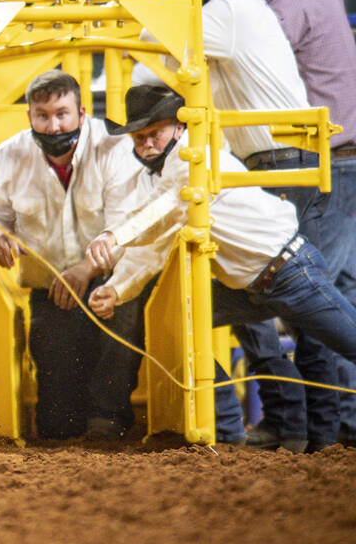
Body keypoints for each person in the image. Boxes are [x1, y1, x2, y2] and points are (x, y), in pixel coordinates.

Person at [146, 0, 328, 452]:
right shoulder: (229, 14)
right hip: (263, 166)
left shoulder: (230, 15)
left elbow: (157, 49)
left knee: (299, 300)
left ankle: (321, 427)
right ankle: (299, 425)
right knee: (277, 297)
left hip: (277, 165)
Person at [87, 87, 356, 396]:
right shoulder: (171, 173)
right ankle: (229, 429)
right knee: (176, 317)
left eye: (154, 134)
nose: (147, 144)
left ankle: (269, 430)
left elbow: (165, 212)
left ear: (179, 127)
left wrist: (114, 236)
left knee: (348, 342)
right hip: (260, 284)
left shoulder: (193, 158)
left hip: (289, 272)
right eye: (139, 138)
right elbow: (156, 241)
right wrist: (117, 288)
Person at [226, 0, 356, 445]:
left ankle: (320, 428)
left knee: (310, 289)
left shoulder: (291, 0)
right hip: (341, 155)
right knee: (337, 286)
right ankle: (338, 424)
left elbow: (253, 51)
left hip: (324, 158)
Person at [0, 70, 156, 440]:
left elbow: (127, 225)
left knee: (121, 320)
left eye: (62, 113)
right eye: (43, 115)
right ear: (29, 116)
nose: (54, 124)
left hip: (111, 279)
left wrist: (86, 269)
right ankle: (70, 423)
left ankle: (109, 418)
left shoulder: (115, 147)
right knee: (57, 424)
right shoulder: (7, 155)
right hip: (49, 289)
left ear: (82, 112)